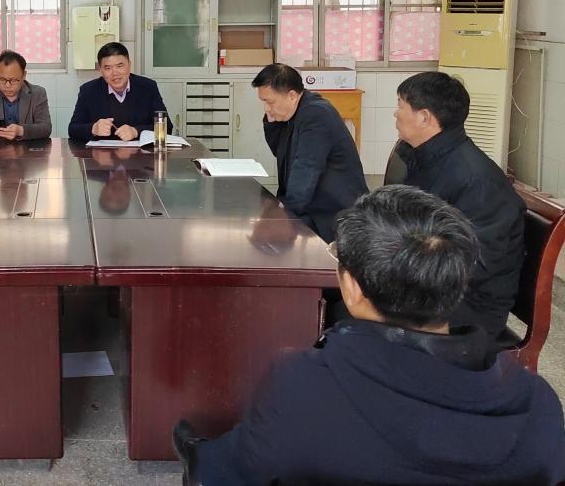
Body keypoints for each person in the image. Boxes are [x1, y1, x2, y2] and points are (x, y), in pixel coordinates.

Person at [173, 185, 565, 486]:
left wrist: (199, 458)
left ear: (353, 289)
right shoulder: (538, 404)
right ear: (455, 283)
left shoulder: (302, 386)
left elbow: (229, 475)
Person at [393, 71, 526, 341]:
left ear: (424, 117)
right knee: (343, 296)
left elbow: (474, 264)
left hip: (468, 305)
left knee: (350, 313)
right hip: (429, 285)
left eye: (400, 105)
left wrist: (395, 268)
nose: (395, 114)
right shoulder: (427, 159)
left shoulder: (477, 180)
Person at [252, 63, 367, 242]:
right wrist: (272, 122)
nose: (266, 108)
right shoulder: (294, 112)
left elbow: (307, 167)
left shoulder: (317, 114)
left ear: (292, 96)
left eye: (270, 102)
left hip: (332, 213)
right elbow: (281, 153)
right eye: (263, 102)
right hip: (312, 203)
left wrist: (286, 214)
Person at [68, 42, 171, 142]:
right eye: (108, 68)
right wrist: (93, 128)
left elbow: (167, 127)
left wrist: (136, 131)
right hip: (102, 153)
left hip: (139, 152)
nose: (115, 73)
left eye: (119, 66)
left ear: (129, 65)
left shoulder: (148, 87)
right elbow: (73, 129)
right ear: (101, 70)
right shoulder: (88, 91)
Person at [0, 49, 52, 140]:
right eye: (2, 79)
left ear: (24, 75)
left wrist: (21, 131)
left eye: (13, 80)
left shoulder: (38, 93)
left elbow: (46, 128)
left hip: (26, 147)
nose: (7, 85)